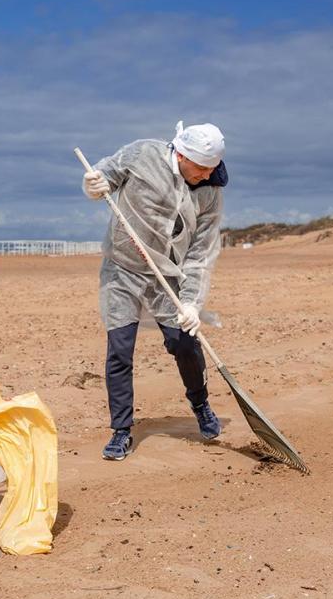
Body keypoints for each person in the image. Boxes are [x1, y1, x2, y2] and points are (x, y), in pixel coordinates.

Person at [81, 121, 228, 460]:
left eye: (213, 169)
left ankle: (200, 403)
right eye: (202, 168)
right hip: (122, 269)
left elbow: (200, 253)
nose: (207, 175)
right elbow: (104, 175)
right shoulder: (142, 153)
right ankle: (121, 430)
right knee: (120, 349)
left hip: (168, 275)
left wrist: (191, 303)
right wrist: (94, 184)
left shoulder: (210, 192)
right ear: (181, 154)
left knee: (184, 343)